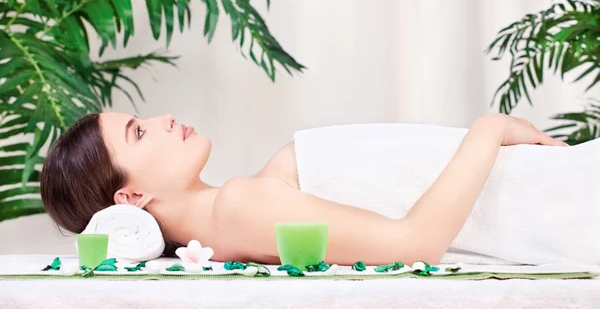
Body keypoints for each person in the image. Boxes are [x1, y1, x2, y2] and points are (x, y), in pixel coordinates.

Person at [40, 112, 569, 266]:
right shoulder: (240, 205)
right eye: (138, 131)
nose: (163, 118)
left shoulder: (243, 205)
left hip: (541, 191)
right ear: (129, 200)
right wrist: (490, 130)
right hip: (552, 203)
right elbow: (414, 244)